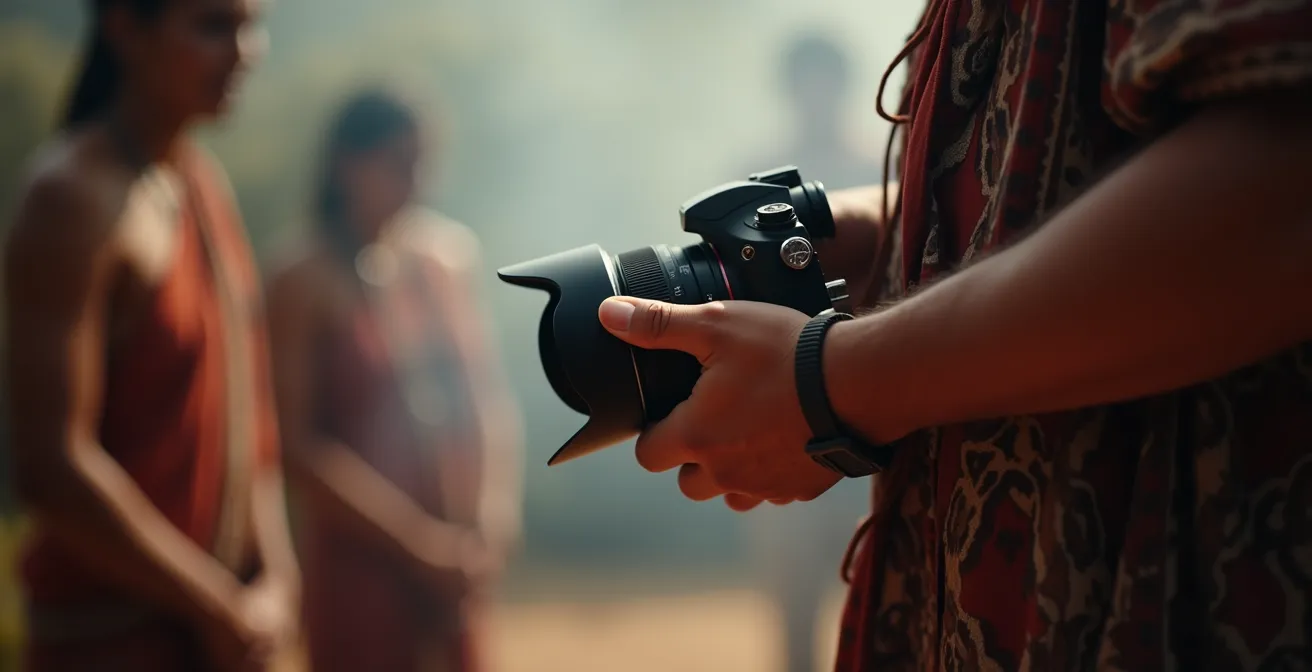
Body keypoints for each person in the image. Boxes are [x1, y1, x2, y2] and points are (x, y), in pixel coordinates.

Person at [594, 0, 1312, 669]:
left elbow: (1282, 177)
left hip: (1187, 603)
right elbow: (1029, 190)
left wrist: (833, 384)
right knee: (789, 610)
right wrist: (867, 235)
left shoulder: (848, 148)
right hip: (962, 586)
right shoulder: (772, 150)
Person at [3, 1, 300, 671]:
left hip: (219, 634)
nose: (246, 50)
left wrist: (278, 584)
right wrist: (217, 606)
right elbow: (53, 468)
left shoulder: (199, 183)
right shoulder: (71, 196)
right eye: (213, 26)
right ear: (123, 28)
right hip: (112, 643)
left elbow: (251, 430)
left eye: (252, 25)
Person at [266, 89, 523, 672]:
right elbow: (298, 447)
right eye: (399, 164)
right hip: (362, 562)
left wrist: (492, 515)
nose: (417, 183)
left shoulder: (444, 258)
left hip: (456, 557)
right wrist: (417, 544)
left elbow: (484, 398)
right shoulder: (301, 278)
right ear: (345, 163)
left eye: (424, 163)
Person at [740, 31, 880, 672]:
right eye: (808, 82)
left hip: (875, 400)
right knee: (795, 600)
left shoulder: (879, 167)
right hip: (783, 406)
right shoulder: (754, 179)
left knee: (879, 588)